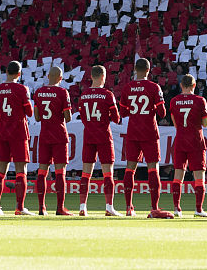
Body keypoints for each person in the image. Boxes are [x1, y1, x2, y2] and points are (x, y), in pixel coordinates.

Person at [120, 57, 171, 218]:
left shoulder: (127, 88)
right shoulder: (154, 87)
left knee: (130, 168)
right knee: (153, 168)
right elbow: (162, 113)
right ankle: (154, 208)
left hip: (133, 131)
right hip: (149, 131)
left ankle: (129, 207)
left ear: (135, 69)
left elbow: (123, 113)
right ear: (149, 70)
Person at [76, 65, 121, 217]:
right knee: (108, 173)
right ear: (103, 76)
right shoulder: (107, 95)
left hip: (89, 135)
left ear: (91, 76)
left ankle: (82, 206)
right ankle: (109, 207)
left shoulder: (83, 95)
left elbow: (82, 117)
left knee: (85, 173)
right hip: (103, 136)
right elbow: (116, 118)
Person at [0, 61, 34, 215]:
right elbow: (29, 112)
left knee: (0, 171)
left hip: (3, 131)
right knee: (21, 171)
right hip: (19, 132)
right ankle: (20, 207)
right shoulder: (22, 89)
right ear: (19, 73)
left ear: (6, 72)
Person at [31, 66, 72, 215]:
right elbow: (68, 117)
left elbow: (36, 117)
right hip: (59, 135)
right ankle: (60, 208)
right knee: (60, 172)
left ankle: (41, 207)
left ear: (48, 76)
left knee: (42, 171)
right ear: (60, 78)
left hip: (45, 135)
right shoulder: (62, 92)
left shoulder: (39, 92)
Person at [168, 74, 207, 217]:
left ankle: (176, 208)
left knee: (178, 175)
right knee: (199, 176)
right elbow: (205, 123)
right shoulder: (200, 100)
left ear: (181, 85)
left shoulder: (174, 101)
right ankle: (198, 209)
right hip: (196, 141)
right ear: (194, 85)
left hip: (180, 140)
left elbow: (175, 123)